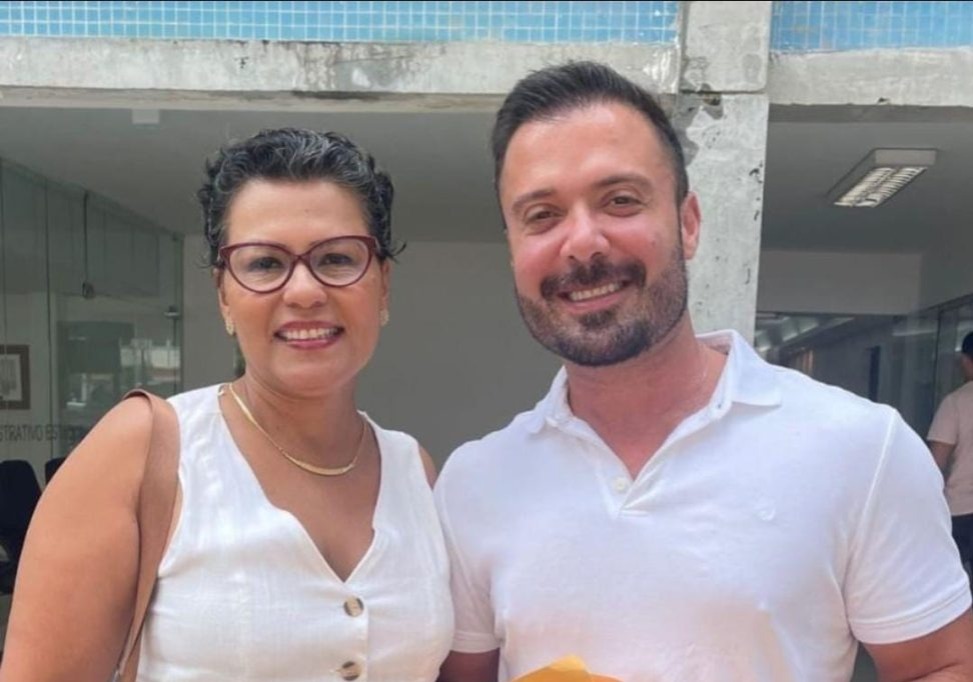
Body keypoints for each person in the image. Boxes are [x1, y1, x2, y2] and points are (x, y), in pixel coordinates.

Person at [435, 62, 973, 682]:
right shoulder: (474, 483)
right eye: (541, 215)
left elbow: (941, 665)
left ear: (687, 224)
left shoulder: (862, 449)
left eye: (620, 201)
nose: (582, 242)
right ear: (513, 249)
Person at [1, 128, 453, 681]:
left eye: (337, 258)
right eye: (264, 264)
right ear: (223, 295)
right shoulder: (143, 452)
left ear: (382, 285)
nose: (304, 291)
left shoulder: (414, 472)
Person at [928, 331, 973, 576]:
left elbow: (935, 464)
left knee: (948, 581)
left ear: (965, 360)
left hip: (961, 511)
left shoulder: (955, 402)